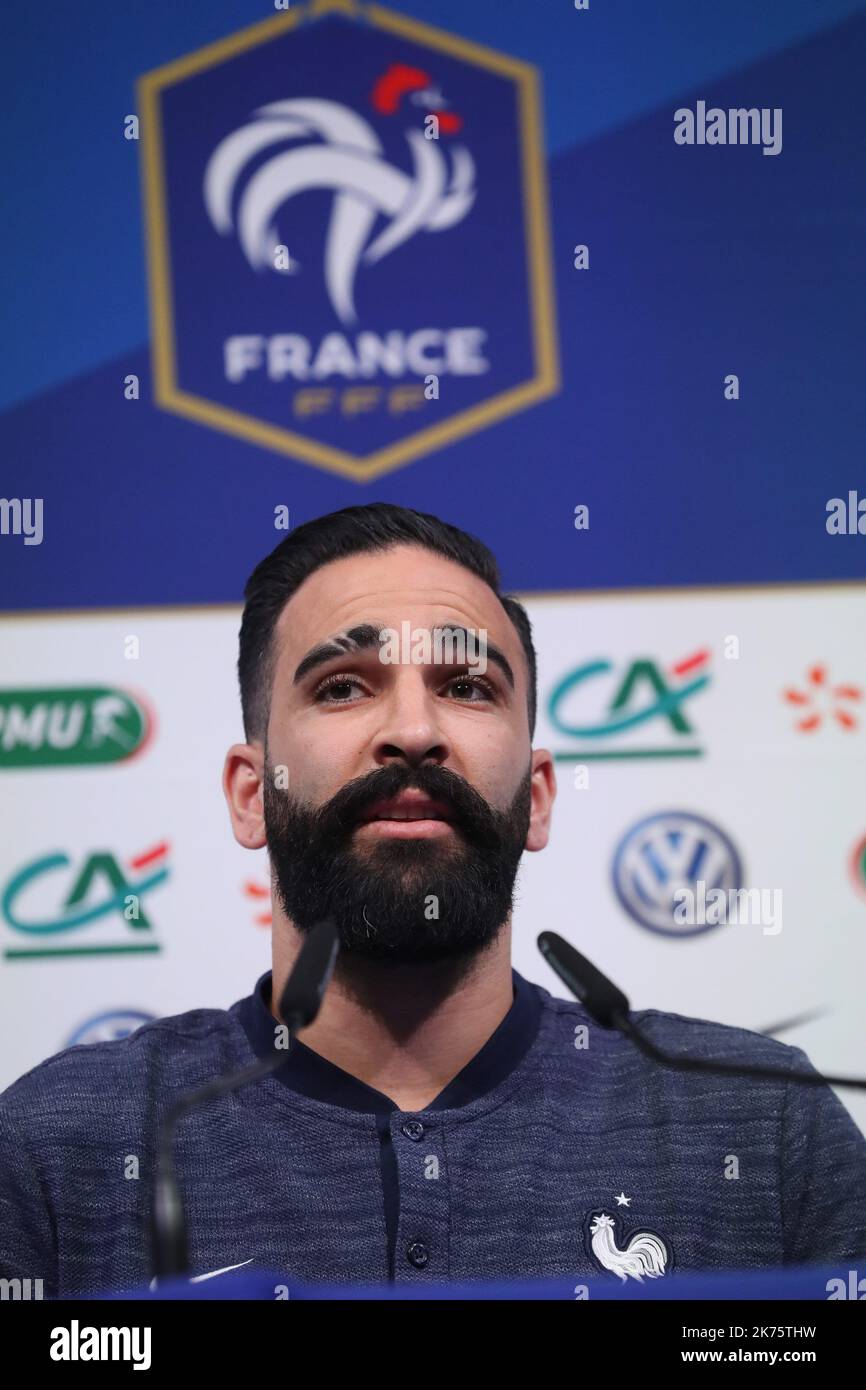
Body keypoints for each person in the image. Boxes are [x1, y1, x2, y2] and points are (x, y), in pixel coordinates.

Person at [1, 502, 864, 1297]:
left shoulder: (764, 1128)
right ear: (249, 792)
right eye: (342, 685)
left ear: (540, 795)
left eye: (466, 688)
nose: (412, 730)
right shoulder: (58, 1148)